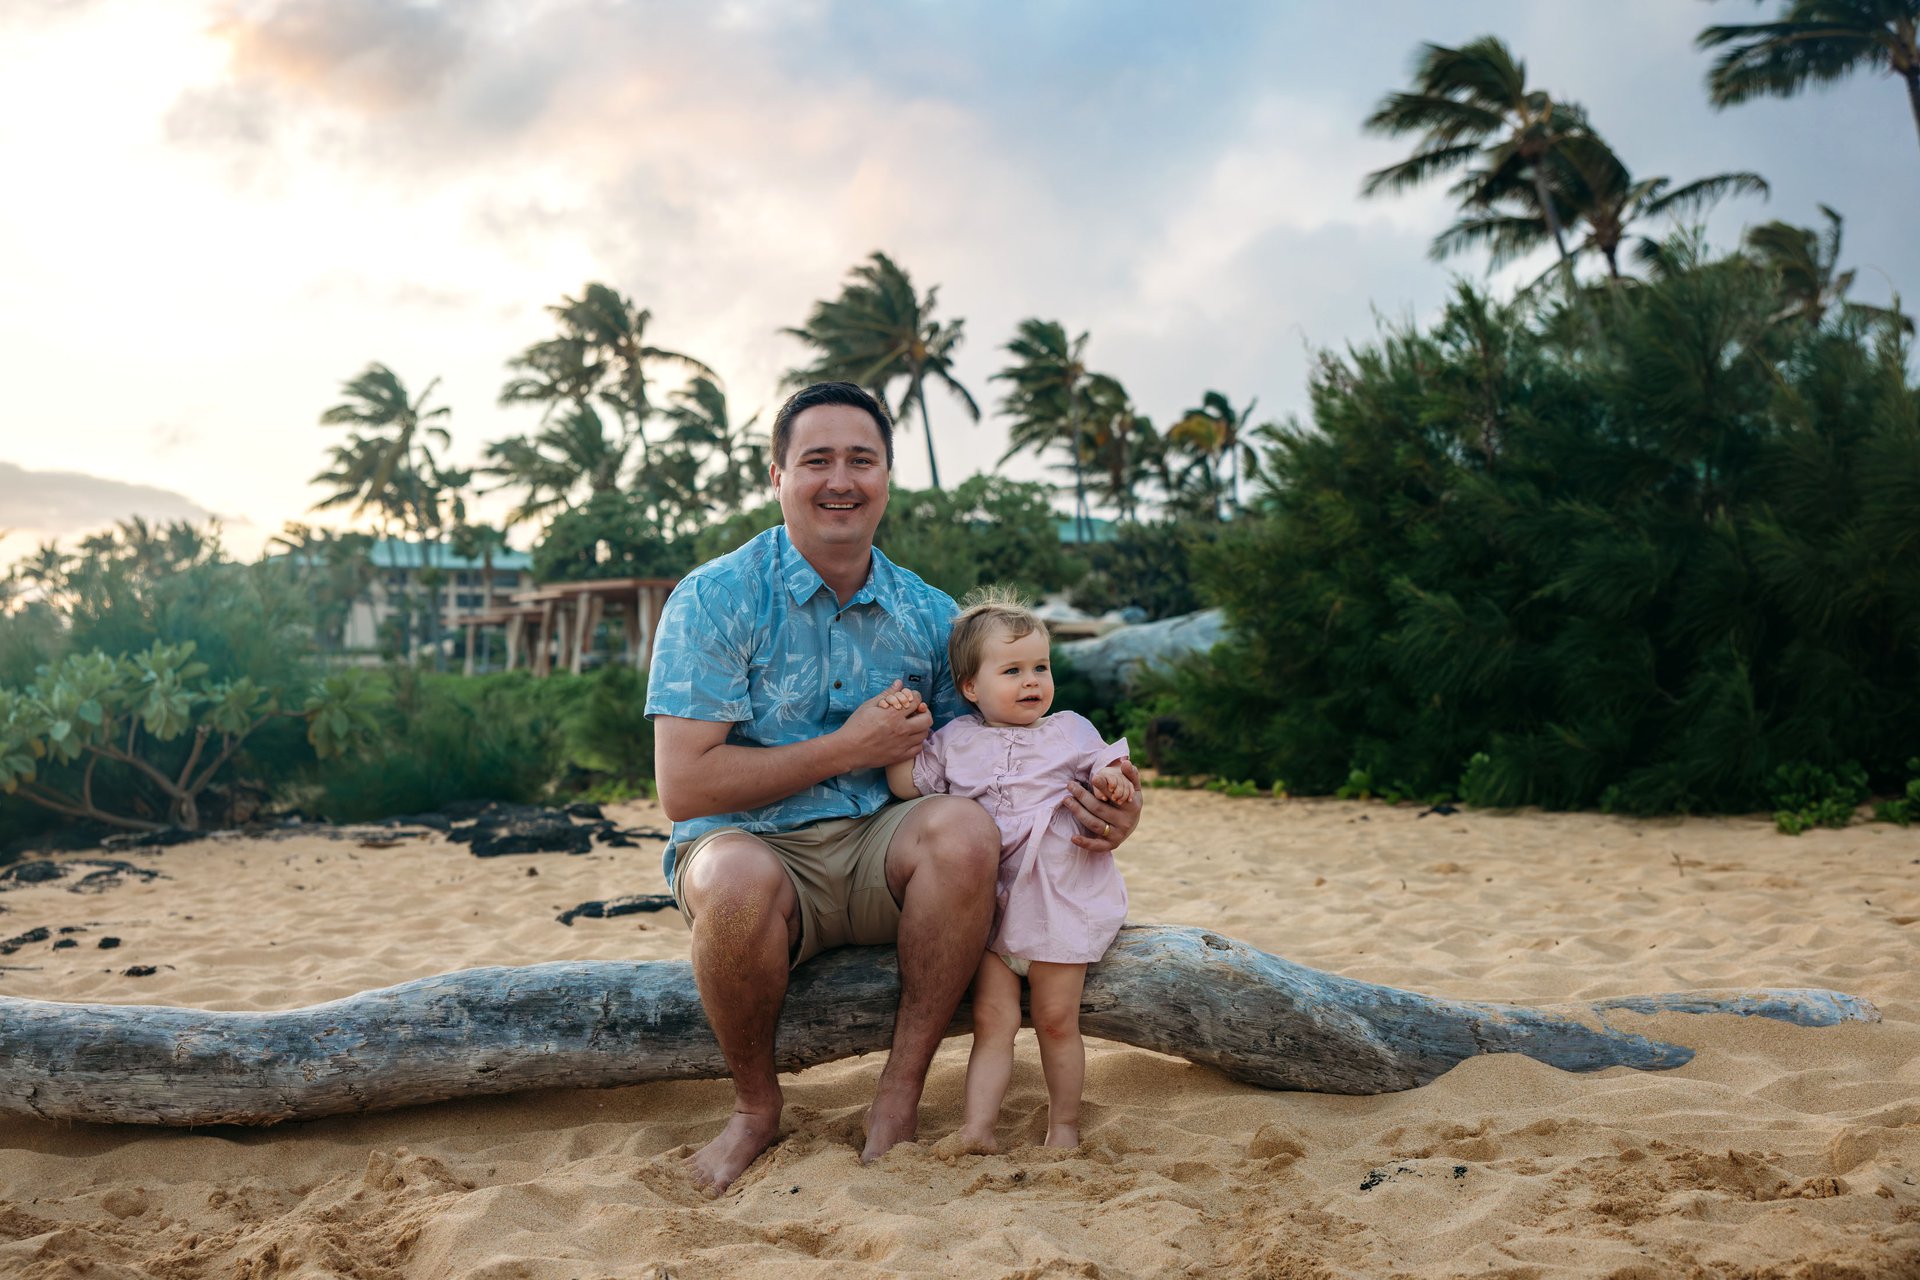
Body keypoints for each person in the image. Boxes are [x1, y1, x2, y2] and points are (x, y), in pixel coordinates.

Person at [645, 382, 1142, 1195]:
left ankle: (898, 1096)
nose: (841, 480)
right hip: (751, 844)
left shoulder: (929, 615)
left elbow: (1003, 756)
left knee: (965, 831)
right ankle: (755, 1107)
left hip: (884, 850)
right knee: (733, 882)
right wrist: (848, 748)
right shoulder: (715, 597)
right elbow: (685, 787)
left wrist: (1113, 808)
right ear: (778, 476)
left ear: (886, 475)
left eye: (861, 460)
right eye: (817, 460)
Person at [879, 589, 1134, 1151]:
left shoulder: (1068, 729)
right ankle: (978, 1129)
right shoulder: (954, 740)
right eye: (1012, 670)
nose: (1031, 681)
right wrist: (903, 730)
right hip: (991, 913)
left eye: (1040, 667)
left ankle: (1063, 1128)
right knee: (992, 1022)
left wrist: (1113, 778)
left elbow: (1109, 762)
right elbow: (907, 786)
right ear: (971, 687)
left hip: (1055, 904)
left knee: (1056, 1020)